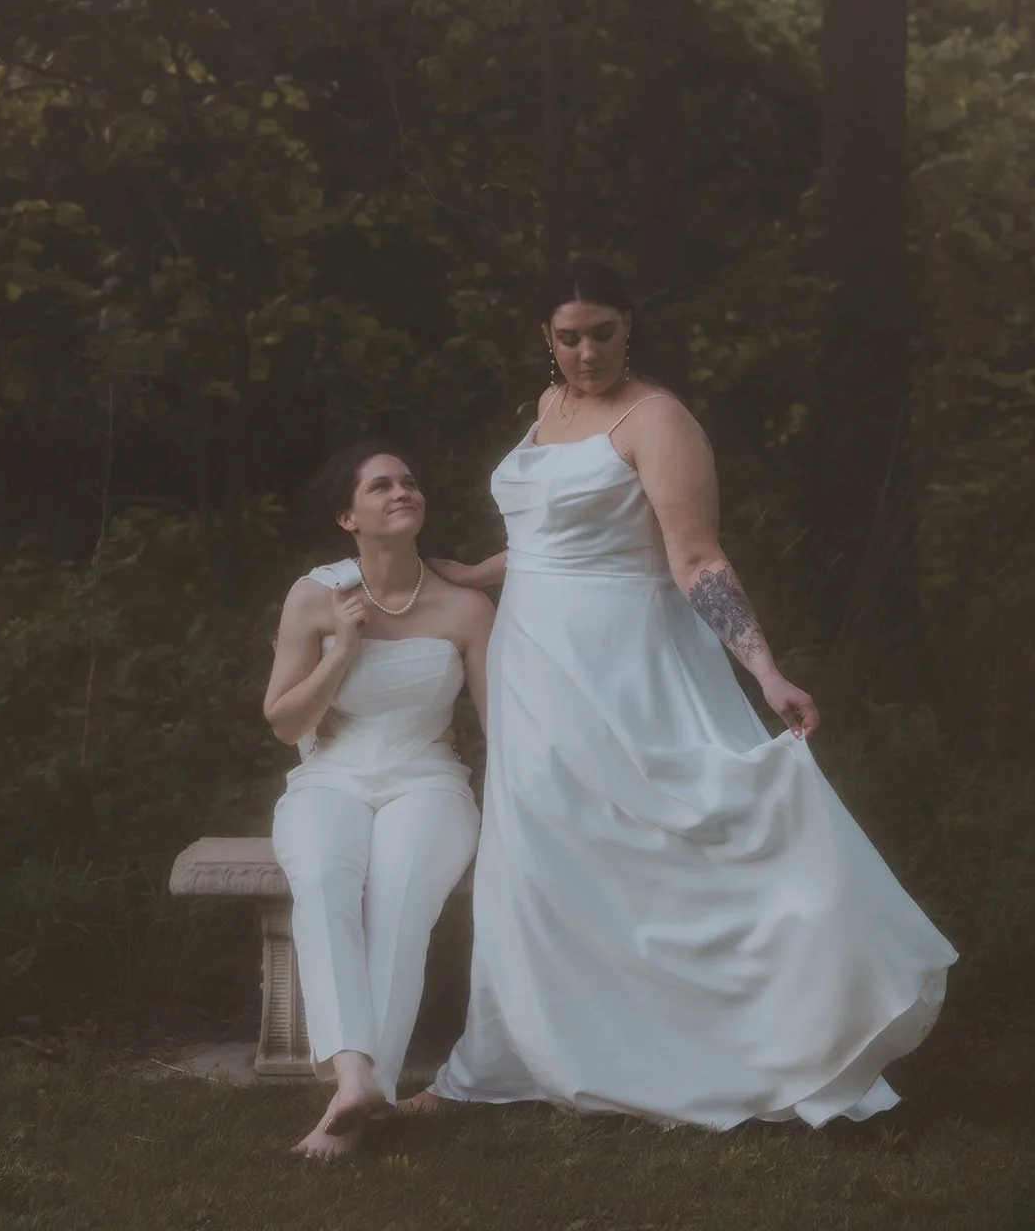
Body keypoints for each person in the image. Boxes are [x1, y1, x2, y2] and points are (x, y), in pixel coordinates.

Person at [402, 257, 957, 1130]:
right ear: (545, 341)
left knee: (669, 846)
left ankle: (750, 1047)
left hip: (624, 660)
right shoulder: (547, 410)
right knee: (546, 860)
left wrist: (764, 669)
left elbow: (694, 557)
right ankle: (527, 1054)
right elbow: (550, 532)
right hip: (531, 666)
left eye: (602, 332)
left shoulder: (656, 420)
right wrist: (474, 570)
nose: (586, 351)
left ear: (630, 325)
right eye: (568, 336)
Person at [264, 443, 491, 1161]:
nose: (401, 491)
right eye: (381, 485)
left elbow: (501, 726)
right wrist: (340, 650)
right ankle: (354, 1073)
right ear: (347, 516)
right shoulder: (314, 596)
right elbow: (285, 724)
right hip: (330, 773)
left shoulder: (465, 606)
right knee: (325, 880)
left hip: (428, 778)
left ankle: (357, 1104)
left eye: (409, 482)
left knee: (399, 903)